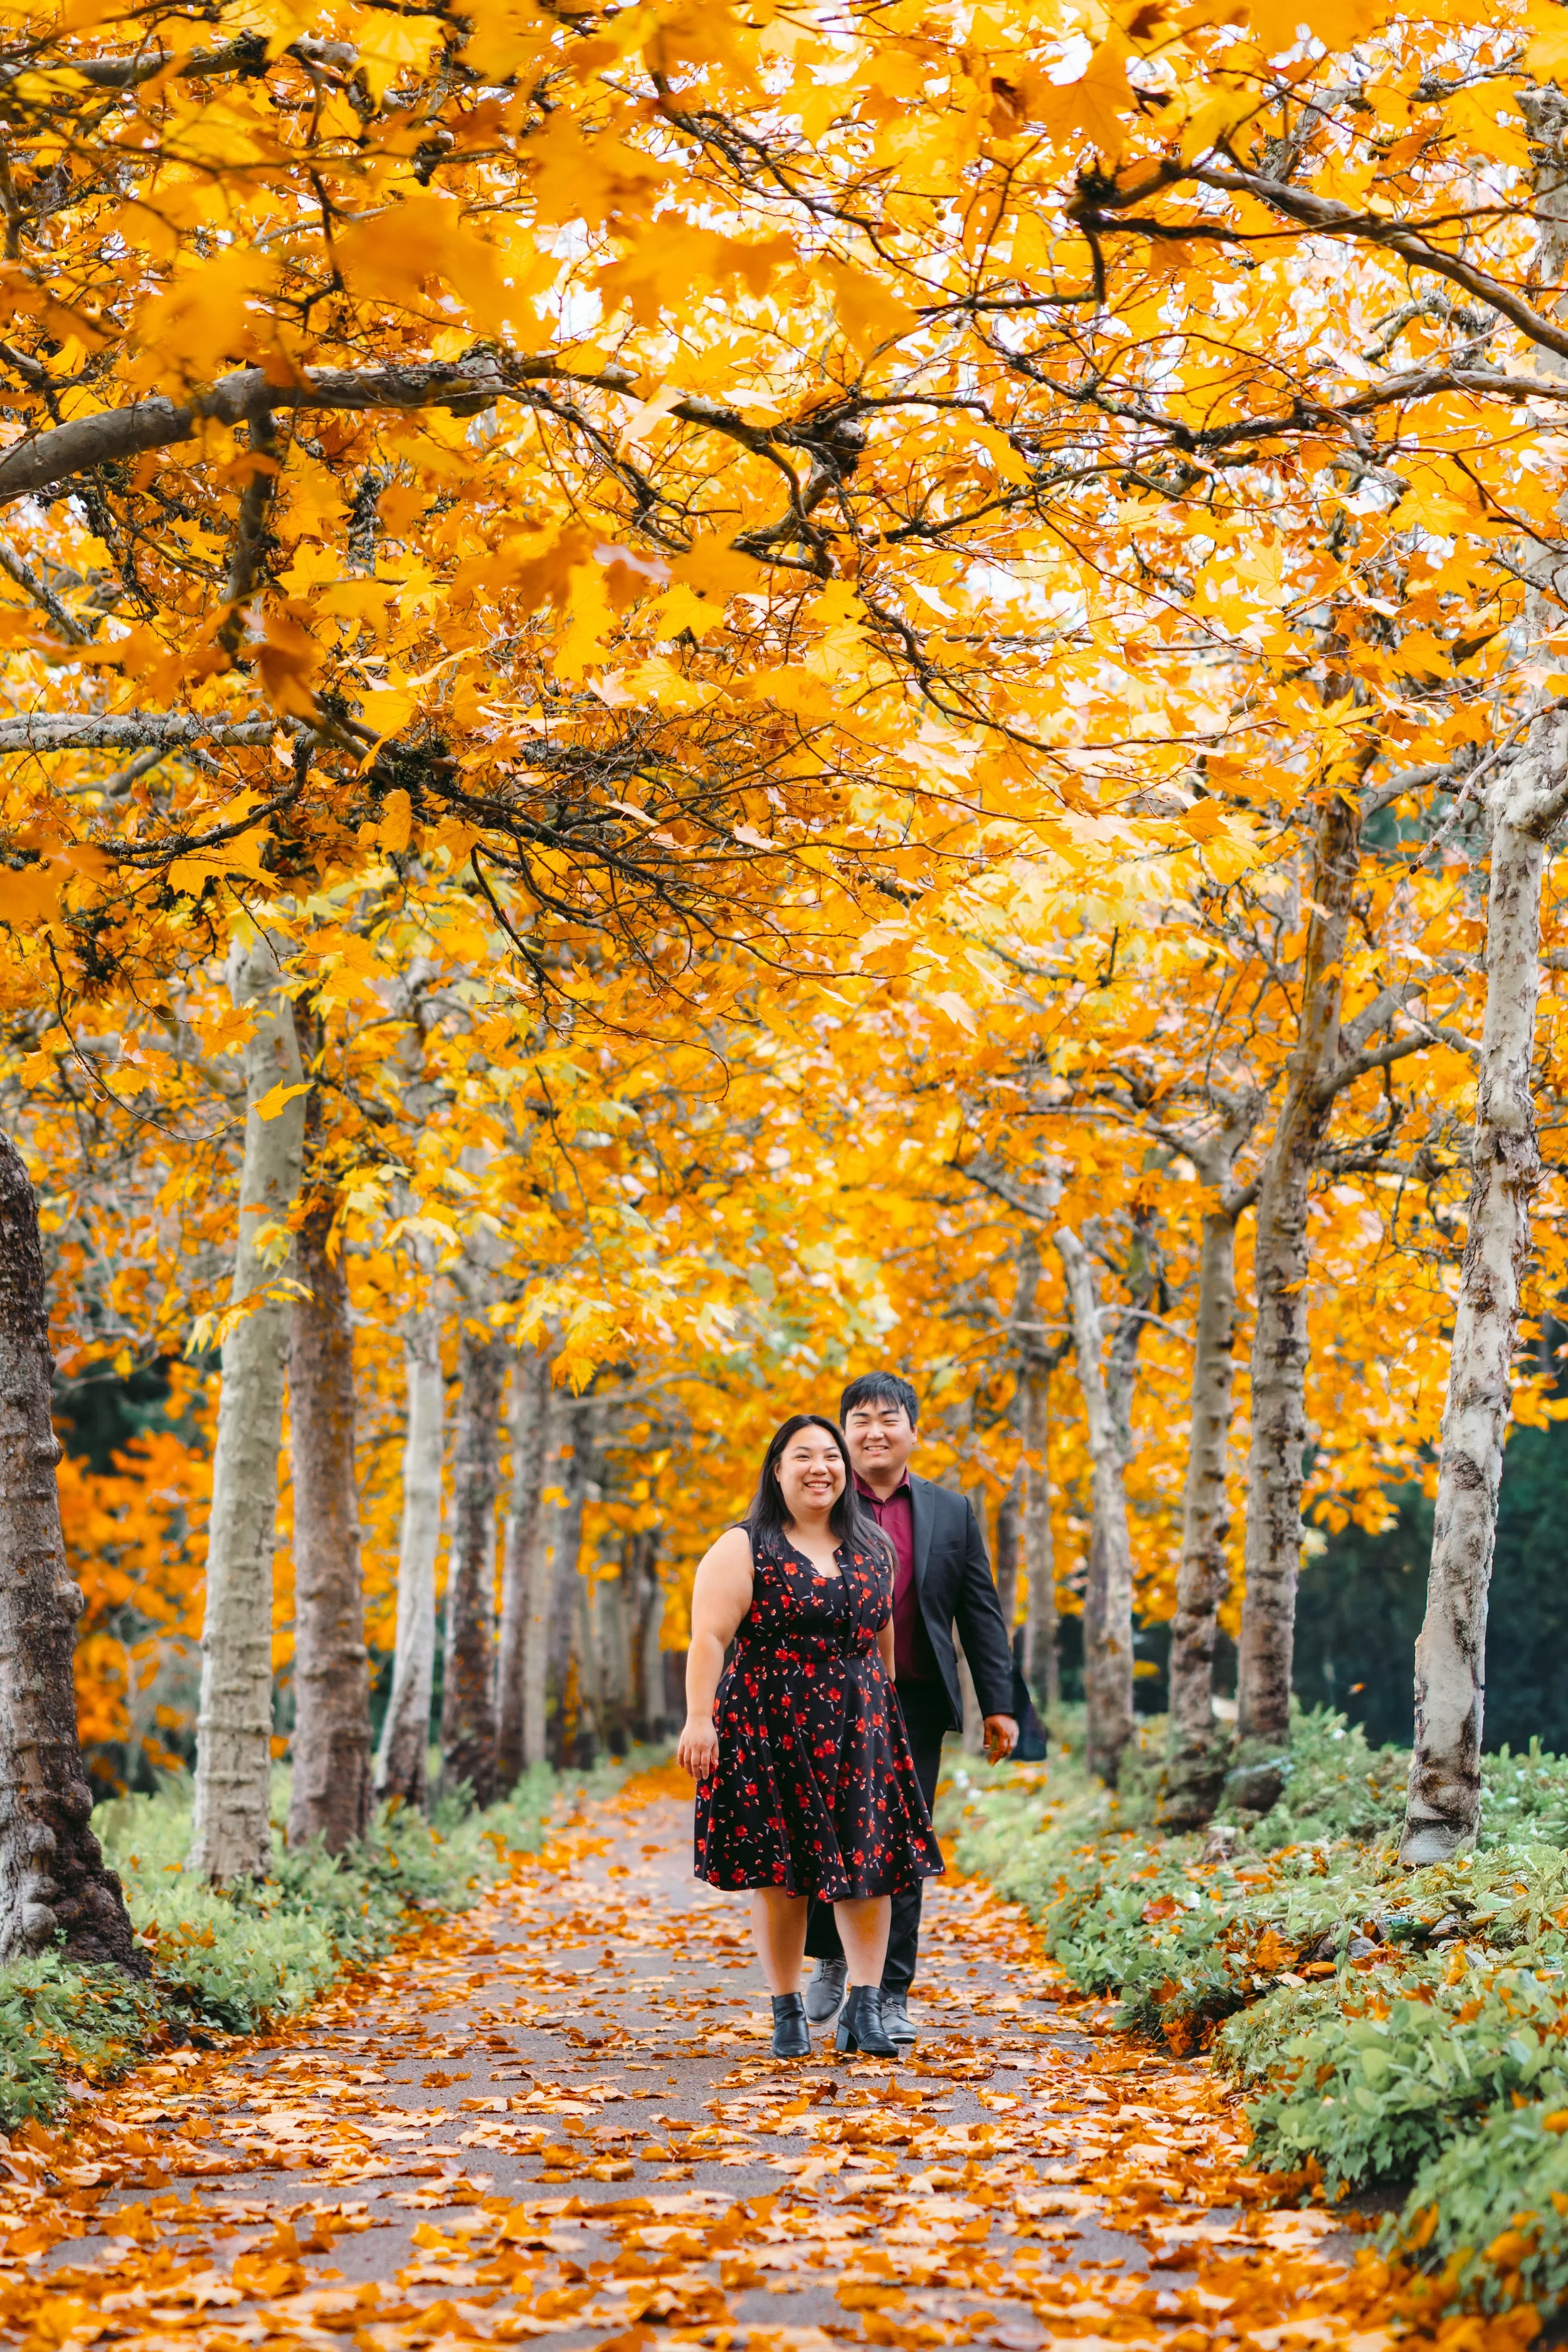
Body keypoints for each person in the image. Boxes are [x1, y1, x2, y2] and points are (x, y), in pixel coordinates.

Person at [678, 1413, 944, 2060]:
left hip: (860, 1724)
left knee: (872, 1871)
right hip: (768, 1722)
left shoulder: (872, 1546)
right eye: (803, 1455)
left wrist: (882, 1721)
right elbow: (709, 1637)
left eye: (830, 1454)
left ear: (845, 1469)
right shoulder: (742, 1546)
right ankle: (786, 2009)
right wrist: (697, 1718)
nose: (819, 1466)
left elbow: (879, 1641)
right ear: (777, 1468)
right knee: (781, 1875)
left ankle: (864, 2008)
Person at [802, 1373, 1018, 2045]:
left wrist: (998, 1703)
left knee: (902, 1842)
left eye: (888, 1418)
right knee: (826, 1833)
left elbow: (979, 1611)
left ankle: (892, 1991)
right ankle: (833, 1954)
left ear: (912, 1431)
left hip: (914, 1701)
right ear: (842, 1432)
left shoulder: (952, 1511)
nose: (874, 1430)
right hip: (827, 1697)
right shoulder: (818, 1502)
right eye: (859, 1418)